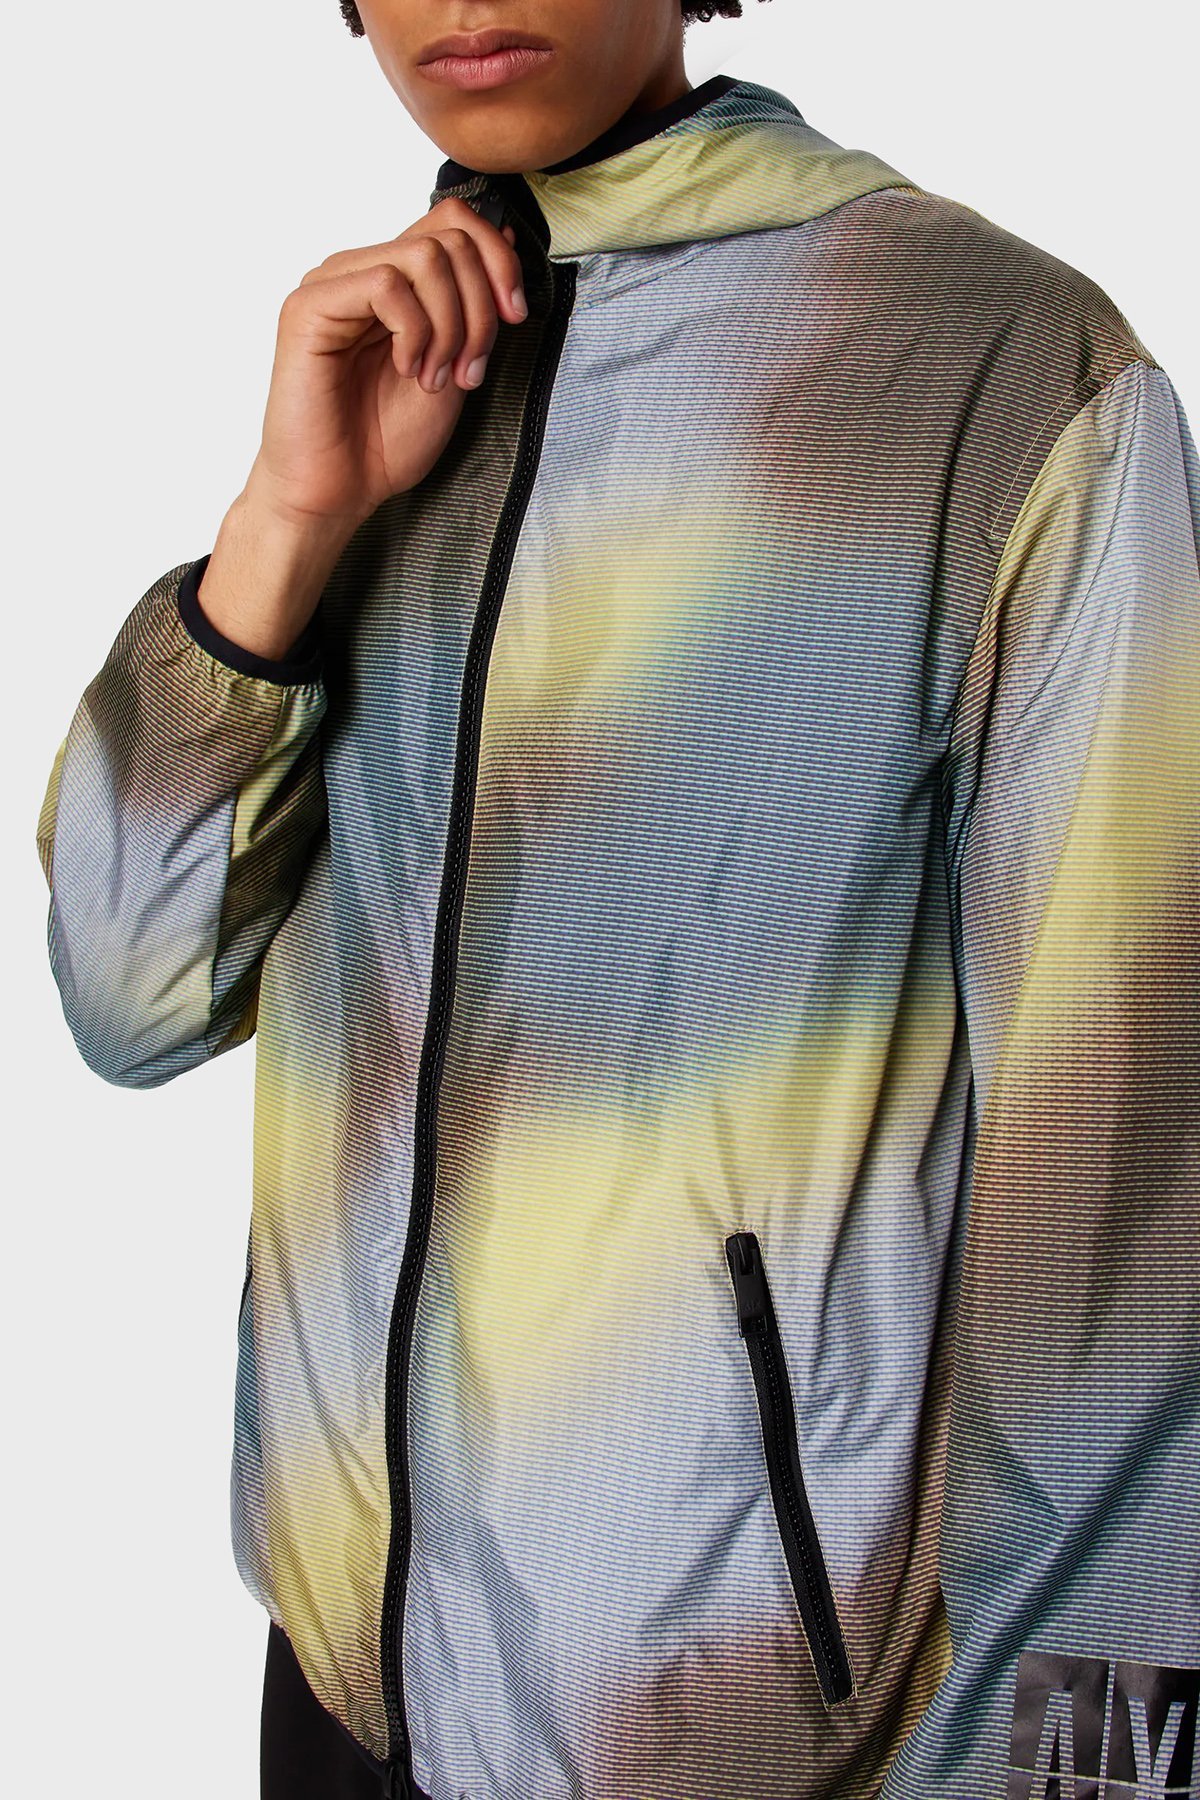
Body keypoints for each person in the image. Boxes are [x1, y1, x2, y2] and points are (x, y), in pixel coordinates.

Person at [35, 0, 1200, 1796]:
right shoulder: (386, 380)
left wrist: (1074, 1776)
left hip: (750, 1732)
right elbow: (128, 998)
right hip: (343, 1701)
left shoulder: (1002, 370)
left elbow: (1124, 1191)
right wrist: (285, 526)